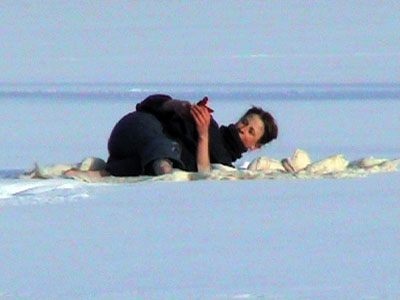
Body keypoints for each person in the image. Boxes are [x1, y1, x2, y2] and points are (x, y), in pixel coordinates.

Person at [65, 94, 278, 177]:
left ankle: (96, 174)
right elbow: (146, 105)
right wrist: (178, 107)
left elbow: (203, 172)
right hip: (136, 128)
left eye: (251, 132)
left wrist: (202, 136)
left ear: (255, 146)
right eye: (244, 122)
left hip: (134, 153)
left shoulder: (223, 162)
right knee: (163, 153)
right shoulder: (210, 124)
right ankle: (161, 166)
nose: (242, 129)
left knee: (144, 167)